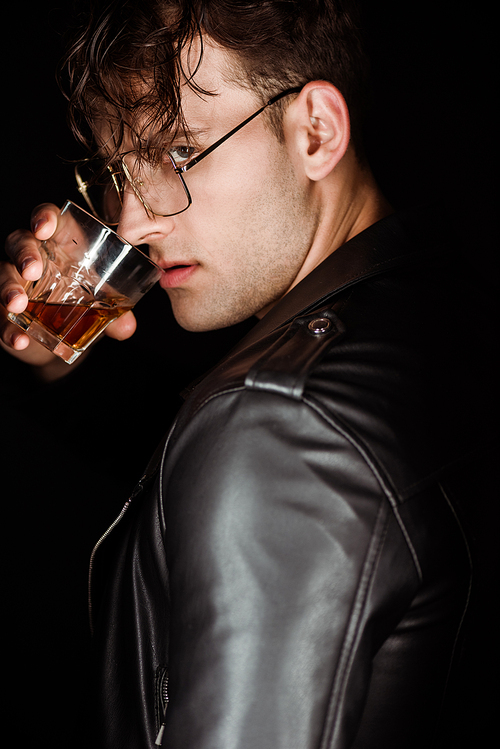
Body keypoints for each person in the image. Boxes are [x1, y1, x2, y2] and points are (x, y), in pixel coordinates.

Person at [0, 1, 497, 747]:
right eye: (114, 170)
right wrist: (57, 365)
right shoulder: (433, 301)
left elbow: (261, 446)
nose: (132, 223)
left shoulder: (279, 424)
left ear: (316, 132)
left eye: (174, 156)